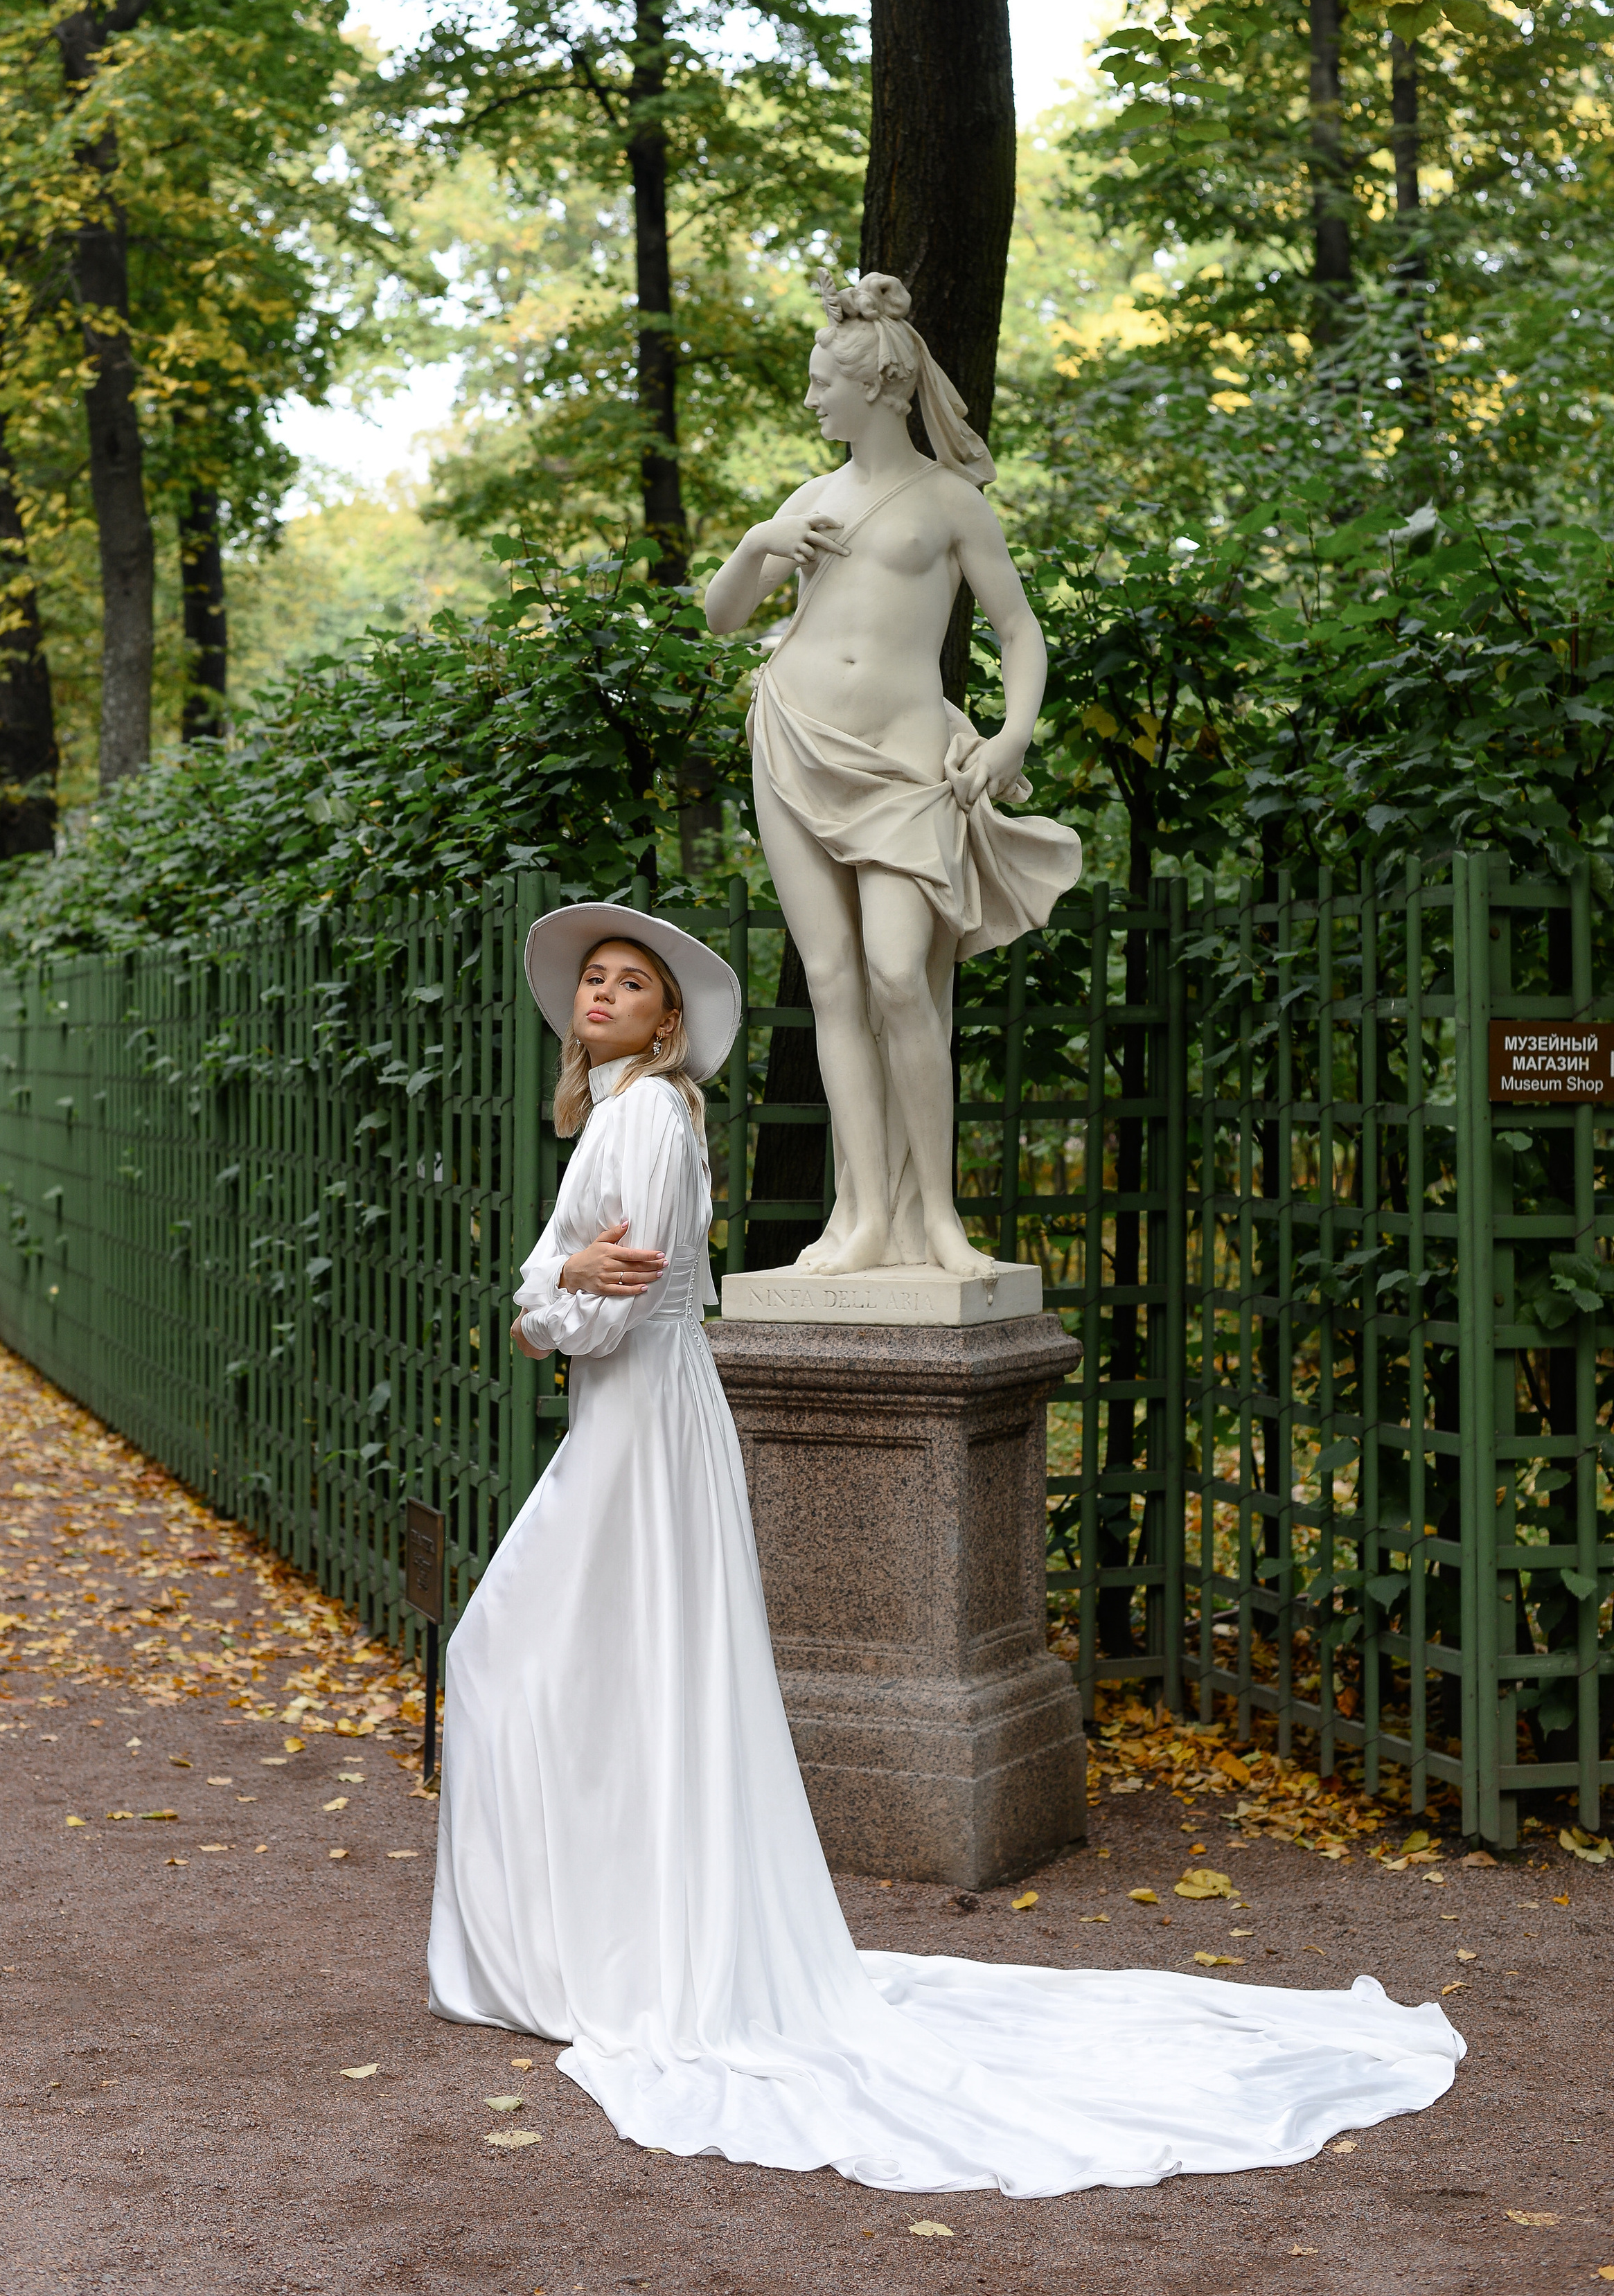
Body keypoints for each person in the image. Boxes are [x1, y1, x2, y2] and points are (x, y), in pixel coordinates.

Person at [426, 900, 1462, 2198]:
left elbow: (594, 1308)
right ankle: (612, 1943)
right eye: (594, 976)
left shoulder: (643, 1116)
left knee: (511, 1649)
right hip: (647, 1421)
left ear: (667, 1017)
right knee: (617, 1674)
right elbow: (569, 1290)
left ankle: (589, 1957)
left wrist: (548, 1293)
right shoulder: (634, 1110)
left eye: (631, 981)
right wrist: (556, 1287)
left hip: (640, 1425)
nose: (604, 991)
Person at [704, 270, 1082, 1280]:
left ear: (874, 385)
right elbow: (722, 617)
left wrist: (1012, 735)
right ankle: (864, 1216)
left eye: (821, 382)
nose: (810, 399)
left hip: (907, 760)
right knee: (831, 981)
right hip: (793, 739)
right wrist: (758, 541)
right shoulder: (808, 501)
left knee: (898, 974)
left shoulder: (950, 502)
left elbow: (1019, 629)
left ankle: (937, 1217)